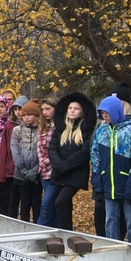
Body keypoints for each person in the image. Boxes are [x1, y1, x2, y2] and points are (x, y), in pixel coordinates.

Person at [91, 95, 131, 241]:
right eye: (102, 114)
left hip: (127, 181)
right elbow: (95, 157)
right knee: (110, 219)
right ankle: (113, 249)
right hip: (108, 182)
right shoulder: (102, 131)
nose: (104, 116)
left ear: (116, 111)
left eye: (107, 113)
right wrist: (97, 183)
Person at [47, 93, 96, 231]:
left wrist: (66, 164)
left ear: (82, 111)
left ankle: (66, 232)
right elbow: (52, 148)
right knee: (65, 204)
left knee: (60, 202)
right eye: (70, 108)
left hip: (76, 173)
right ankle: (68, 231)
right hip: (60, 172)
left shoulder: (87, 130)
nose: (72, 110)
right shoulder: (61, 128)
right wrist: (58, 164)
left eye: (76, 108)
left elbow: (85, 152)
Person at [0, 95, 29, 218]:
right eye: (15, 110)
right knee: (12, 200)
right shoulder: (9, 126)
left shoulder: (33, 125)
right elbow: (4, 150)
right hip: (11, 169)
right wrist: (2, 172)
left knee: (26, 201)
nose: (18, 112)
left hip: (28, 169)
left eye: (20, 109)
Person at [11, 100, 42, 222]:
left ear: (36, 115)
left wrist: (35, 171)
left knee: (36, 203)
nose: (26, 117)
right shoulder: (17, 130)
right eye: (24, 115)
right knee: (24, 204)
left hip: (37, 174)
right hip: (20, 174)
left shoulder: (42, 130)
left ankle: (37, 228)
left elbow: (45, 153)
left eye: (29, 115)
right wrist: (23, 170)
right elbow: (15, 150)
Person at [36, 96, 60, 227]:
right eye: (43, 109)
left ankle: (40, 230)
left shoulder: (60, 127)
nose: (45, 112)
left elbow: (59, 151)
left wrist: (48, 163)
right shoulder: (42, 127)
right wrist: (43, 164)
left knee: (46, 204)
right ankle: (53, 234)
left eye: (48, 109)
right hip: (44, 172)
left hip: (56, 172)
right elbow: (40, 149)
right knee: (52, 205)